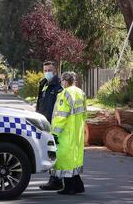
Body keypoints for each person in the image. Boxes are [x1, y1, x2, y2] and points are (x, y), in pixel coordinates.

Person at [48, 72, 87, 195]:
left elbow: (61, 116)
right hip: (77, 131)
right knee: (74, 159)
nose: (61, 83)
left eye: (61, 81)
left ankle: (69, 187)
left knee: (65, 159)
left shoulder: (65, 94)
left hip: (66, 132)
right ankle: (79, 185)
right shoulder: (81, 92)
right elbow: (85, 112)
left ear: (65, 81)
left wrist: (54, 133)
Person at [37, 61, 64, 191]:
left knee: (54, 152)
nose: (47, 72)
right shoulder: (43, 84)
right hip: (43, 123)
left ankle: (56, 180)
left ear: (55, 71)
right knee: (49, 152)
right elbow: (40, 103)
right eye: (45, 70)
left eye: (49, 70)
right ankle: (55, 179)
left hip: (54, 124)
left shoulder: (59, 86)